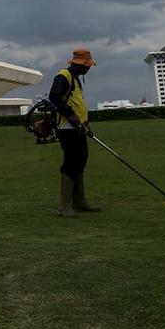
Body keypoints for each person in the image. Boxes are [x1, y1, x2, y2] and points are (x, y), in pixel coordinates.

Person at [49, 48, 100, 217]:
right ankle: (65, 206)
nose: (88, 68)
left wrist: (85, 123)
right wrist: (71, 116)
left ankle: (80, 202)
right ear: (78, 65)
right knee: (71, 163)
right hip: (67, 128)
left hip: (78, 128)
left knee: (81, 160)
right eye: (87, 66)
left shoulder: (76, 79)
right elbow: (54, 97)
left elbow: (77, 102)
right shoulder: (63, 76)